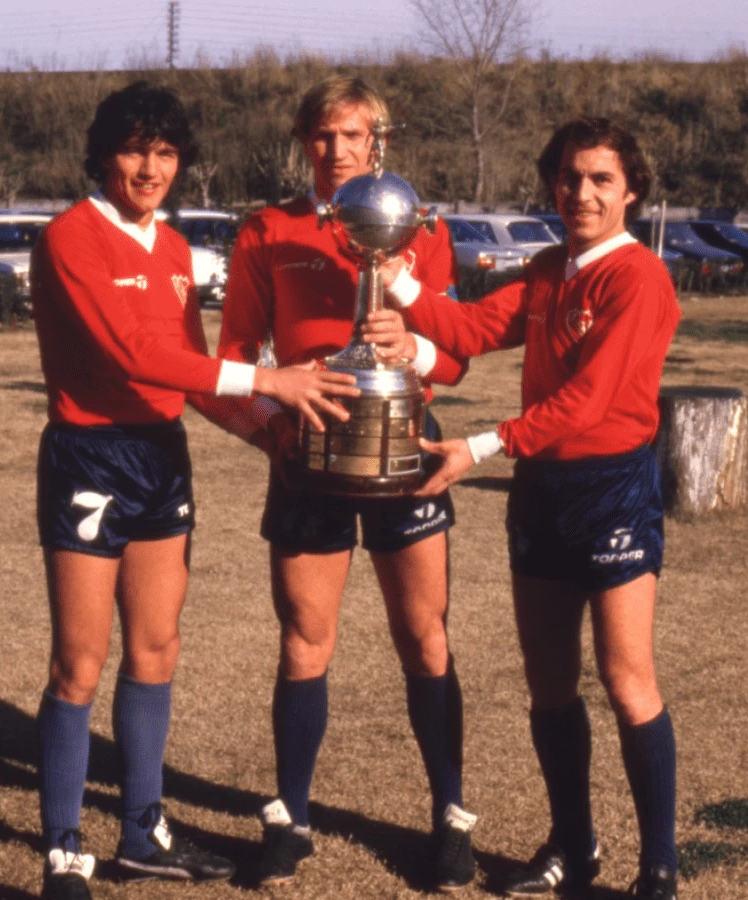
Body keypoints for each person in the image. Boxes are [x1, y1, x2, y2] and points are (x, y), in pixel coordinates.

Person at [29, 81, 360, 900]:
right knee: (79, 663)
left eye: (167, 153)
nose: (151, 168)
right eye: (137, 149)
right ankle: (64, 849)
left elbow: (191, 377)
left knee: (156, 649)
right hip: (89, 459)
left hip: (159, 458)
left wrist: (268, 432)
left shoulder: (175, 251)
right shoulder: (72, 237)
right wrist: (274, 379)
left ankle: (142, 832)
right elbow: (134, 356)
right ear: (105, 154)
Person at [365, 116, 682, 900]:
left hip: (610, 487)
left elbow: (589, 399)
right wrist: (400, 281)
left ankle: (660, 868)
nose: (582, 193)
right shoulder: (549, 270)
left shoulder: (638, 277)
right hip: (542, 494)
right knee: (548, 683)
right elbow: (473, 327)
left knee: (625, 676)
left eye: (602, 180)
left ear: (631, 192)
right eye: (571, 177)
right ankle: (574, 847)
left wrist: (481, 445)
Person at [217, 75, 479, 891]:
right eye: (321, 137)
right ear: (304, 143)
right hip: (309, 454)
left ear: (379, 143)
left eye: (352, 136)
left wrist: (414, 350)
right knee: (304, 638)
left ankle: (450, 820)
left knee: (423, 636)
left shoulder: (418, 227)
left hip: (405, 447)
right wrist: (267, 431)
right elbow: (228, 360)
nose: (336, 152)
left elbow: (458, 359)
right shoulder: (267, 230)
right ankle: (291, 818)